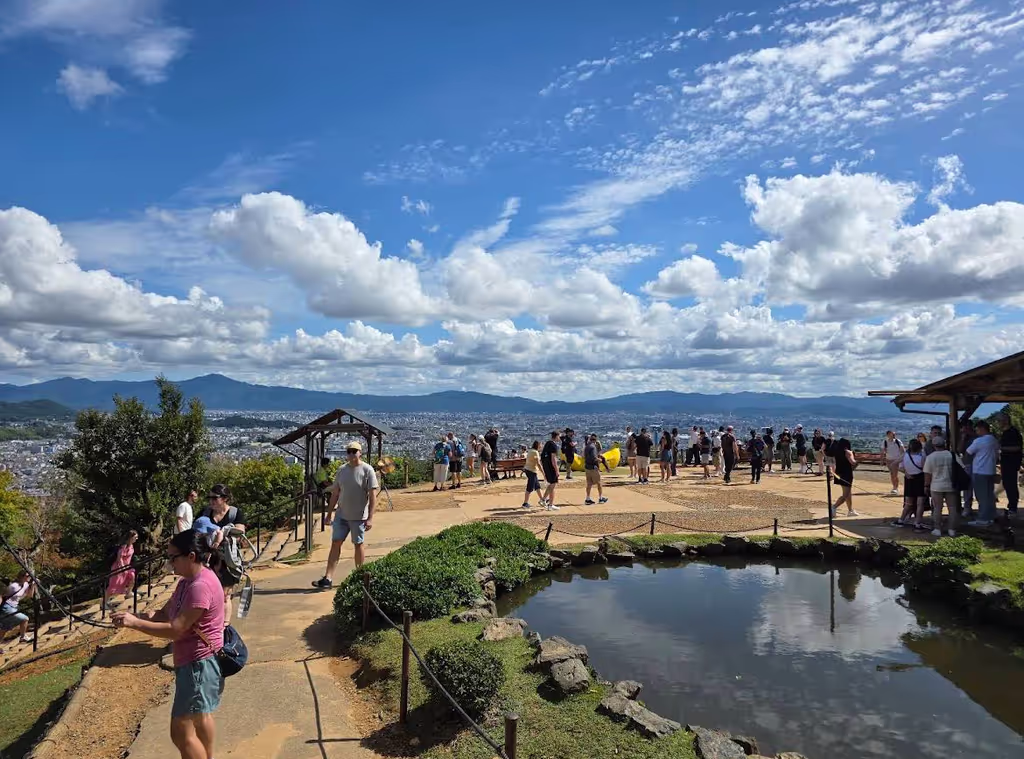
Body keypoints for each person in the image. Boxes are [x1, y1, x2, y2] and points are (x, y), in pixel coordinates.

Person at [113, 529, 225, 759]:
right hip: (194, 663)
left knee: (180, 733)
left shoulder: (200, 586)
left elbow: (176, 629)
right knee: (200, 715)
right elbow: (166, 613)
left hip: (198, 664)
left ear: (191, 556)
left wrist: (134, 624)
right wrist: (137, 616)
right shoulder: (188, 582)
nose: (170, 563)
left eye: (173, 558)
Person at [313, 441, 378, 589]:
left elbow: (373, 495)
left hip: (358, 516)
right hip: (341, 514)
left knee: (358, 544)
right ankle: (328, 578)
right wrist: (329, 514)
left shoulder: (367, 470)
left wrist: (370, 518)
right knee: (335, 543)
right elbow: (335, 493)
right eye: (348, 451)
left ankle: (360, 577)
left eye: (354, 451)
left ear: (360, 452)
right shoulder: (342, 470)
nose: (351, 454)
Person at [198, 484, 246, 621]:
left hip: (227, 559)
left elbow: (239, 532)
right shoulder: (204, 513)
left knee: (225, 595)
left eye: (215, 498)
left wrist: (220, 536)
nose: (211, 501)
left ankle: (224, 627)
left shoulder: (235, 513)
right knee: (206, 594)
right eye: (209, 498)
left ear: (224, 498)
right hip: (207, 558)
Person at [967, 420, 1000, 527]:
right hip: (990, 470)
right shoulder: (994, 440)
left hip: (980, 471)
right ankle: (991, 516)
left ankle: (983, 519)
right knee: (989, 495)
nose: (976, 432)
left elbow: (968, 452)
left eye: (977, 429)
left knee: (982, 496)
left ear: (981, 429)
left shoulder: (979, 441)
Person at [924, 436, 958, 537]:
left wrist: (926, 486)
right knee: (952, 508)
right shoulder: (952, 455)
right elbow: (961, 467)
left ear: (934, 445)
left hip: (936, 486)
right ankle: (952, 529)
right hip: (951, 484)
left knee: (937, 508)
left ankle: (937, 529)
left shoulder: (930, 457)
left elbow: (927, 474)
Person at [894, 439, 928, 530]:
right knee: (920, 503)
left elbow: (895, 464)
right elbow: (925, 470)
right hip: (920, 479)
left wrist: (906, 472)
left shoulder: (905, 455)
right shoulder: (922, 456)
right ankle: (917, 523)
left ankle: (901, 520)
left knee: (908, 503)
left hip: (909, 479)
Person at [1, 570, 36, 649]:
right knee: (25, 619)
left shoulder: (26, 584)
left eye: (29, 576)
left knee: (5, 627)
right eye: (27, 576)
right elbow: (3, 596)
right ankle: (23, 637)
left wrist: (33, 585)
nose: (29, 577)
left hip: (13, 607)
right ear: (22, 577)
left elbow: (30, 595)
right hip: (7, 607)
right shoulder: (14, 586)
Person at [996, 412, 1022, 516]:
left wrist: (1001, 448)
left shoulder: (1013, 432)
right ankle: (1011, 506)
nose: (998, 423)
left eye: (999, 420)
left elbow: (1017, 448)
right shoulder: (1005, 433)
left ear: (1005, 420)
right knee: (1007, 484)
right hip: (1006, 463)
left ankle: (1013, 507)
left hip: (1012, 463)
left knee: (1011, 485)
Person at [105, 529, 138, 605]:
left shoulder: (131, 546)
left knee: (132, 577)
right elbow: (119, 559)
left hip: (127, 566)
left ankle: (128, 593)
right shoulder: (123, 546)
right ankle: (104, 602)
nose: (136, 539)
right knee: (114, 585)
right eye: (135, 537)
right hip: (119, 567)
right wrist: (123, 569)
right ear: (130, 538)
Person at [830, 436, 860, 517]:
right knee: (845, 495)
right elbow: (853, 463)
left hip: (839, 473)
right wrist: (858, 460)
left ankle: (850, 510)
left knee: (848, 493)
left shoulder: (838, 451)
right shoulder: (848, 452)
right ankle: (834, 507)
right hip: (846, 474)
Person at [583, 434, 609, 506]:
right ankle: (600, 498)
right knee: (599, 483)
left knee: (589, 483)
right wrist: (600, 460)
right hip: (594, 467)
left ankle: (587, 498)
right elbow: (594, 458)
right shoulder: (593, 447)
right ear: (595, 441)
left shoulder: (586, 447)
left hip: (587, 467)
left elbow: (584, 456)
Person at [959, 421, 976, 519]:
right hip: (967, 464)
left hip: (977, 464)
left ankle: (981, 508)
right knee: (967, 488)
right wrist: (963, 438)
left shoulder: (977, 437)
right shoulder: (964, 438)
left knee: (978, 488)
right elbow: (960, 449)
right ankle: (967, 507)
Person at [522, 441, 547, 509]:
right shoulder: (535, 452)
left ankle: (542, 499)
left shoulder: (531, 450)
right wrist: (543, 473)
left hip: (529, 470)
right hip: (531, 471)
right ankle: (525, 503)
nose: (541, 446)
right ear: (538, 445)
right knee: (530, 487)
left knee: (537, 486)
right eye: (541, 444)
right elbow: (538, 464)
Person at [541, 431, 561, 511]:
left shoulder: (547, 444)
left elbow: (542, 457)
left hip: (546, 466)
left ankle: (543, 499)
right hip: (551, 467)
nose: (559, 438)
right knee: (553, 486)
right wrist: (557, 470)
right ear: (556, 436)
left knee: (551, 485)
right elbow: (553, 459)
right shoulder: (553, 445)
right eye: (559, 437)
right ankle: (550, 505)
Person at [882, 431, 905, 495]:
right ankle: (894, 487)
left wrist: (901, 458)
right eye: (891, 434)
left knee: (895, 474)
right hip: (888, 460)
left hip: (896, 460)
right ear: (888, 435)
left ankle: (895, 488)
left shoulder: (898, 441)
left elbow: (902, 450)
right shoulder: (885, 442)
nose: (893, 435)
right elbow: (883, 451)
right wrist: (882, 460)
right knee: (892, 474)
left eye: (893, 434)